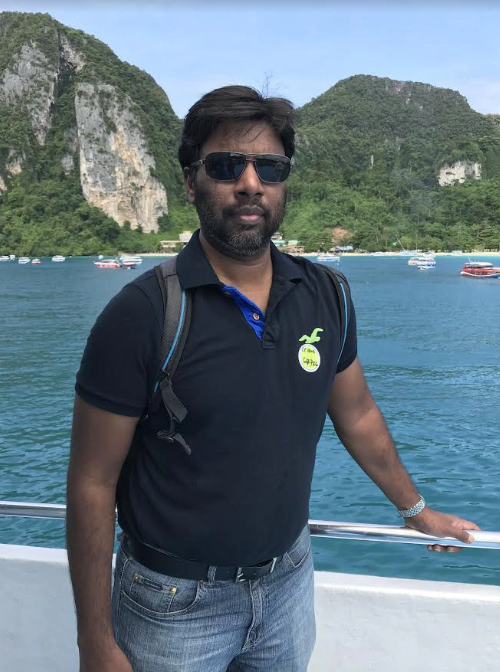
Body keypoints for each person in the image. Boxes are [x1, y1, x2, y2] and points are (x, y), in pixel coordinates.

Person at [66, 85, 479, 672]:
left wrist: (416, 510)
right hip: (173, 606)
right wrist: (94, 640)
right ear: (191, 183)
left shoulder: (327, 293)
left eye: (270, 167)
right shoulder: (143, 313)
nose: (250, 183)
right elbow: (91, 481)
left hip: (287, 584)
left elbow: (357, 414)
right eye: (226, 166)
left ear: (284, 183)